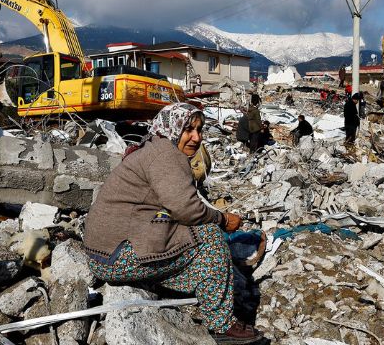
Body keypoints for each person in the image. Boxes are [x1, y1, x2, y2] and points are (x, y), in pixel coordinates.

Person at [83, 103, 263, 344]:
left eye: (200, 130)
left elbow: (173, 206)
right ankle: (221, 324)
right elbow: (187, 209)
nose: (196, 137)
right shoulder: (166, 156)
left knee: (182, 231)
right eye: (189, 130)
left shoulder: (154, 147)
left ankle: (188, 285)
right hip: (115, 257)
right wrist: (222, 219)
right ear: (174, 128)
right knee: (209, 236)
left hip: (104, 252)